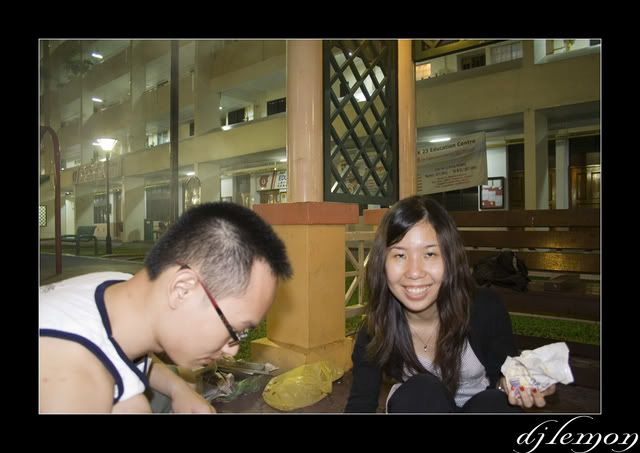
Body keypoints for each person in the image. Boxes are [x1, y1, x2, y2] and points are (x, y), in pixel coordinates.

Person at [40, 202, 292, 413]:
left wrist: (178, 389)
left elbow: (130, 353)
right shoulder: (74, 386)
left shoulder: (118, 290)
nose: (232, 350)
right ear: (182, 289)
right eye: (235, 331)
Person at [344, 195, 555, 413]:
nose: (414, 272)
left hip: (479, 405)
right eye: (400, 255)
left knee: (496, 404)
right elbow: (360, 405)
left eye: (429, 254)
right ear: (382, 264)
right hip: (422, 406)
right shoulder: (377, 328)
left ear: (450, 259)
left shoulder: (485, 308)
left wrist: (519, 384)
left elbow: (502, 380)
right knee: (420, 391)